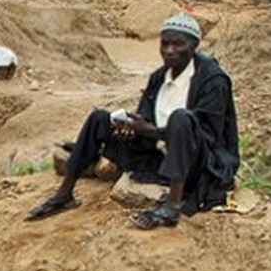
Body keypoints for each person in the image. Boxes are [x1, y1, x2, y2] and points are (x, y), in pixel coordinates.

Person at [25, 12, 239, 229]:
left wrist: (152, 130)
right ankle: (64, 195)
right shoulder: (160, 76)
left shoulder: (213, 80)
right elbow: (145, 116)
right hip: (158, 155)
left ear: (194, 46)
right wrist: (131, 127)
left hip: (199, 162)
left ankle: (172, 206)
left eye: (178, 45)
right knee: (99, 118)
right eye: (165, 44)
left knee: (181, 118)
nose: (169, 51)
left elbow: (209, 134)